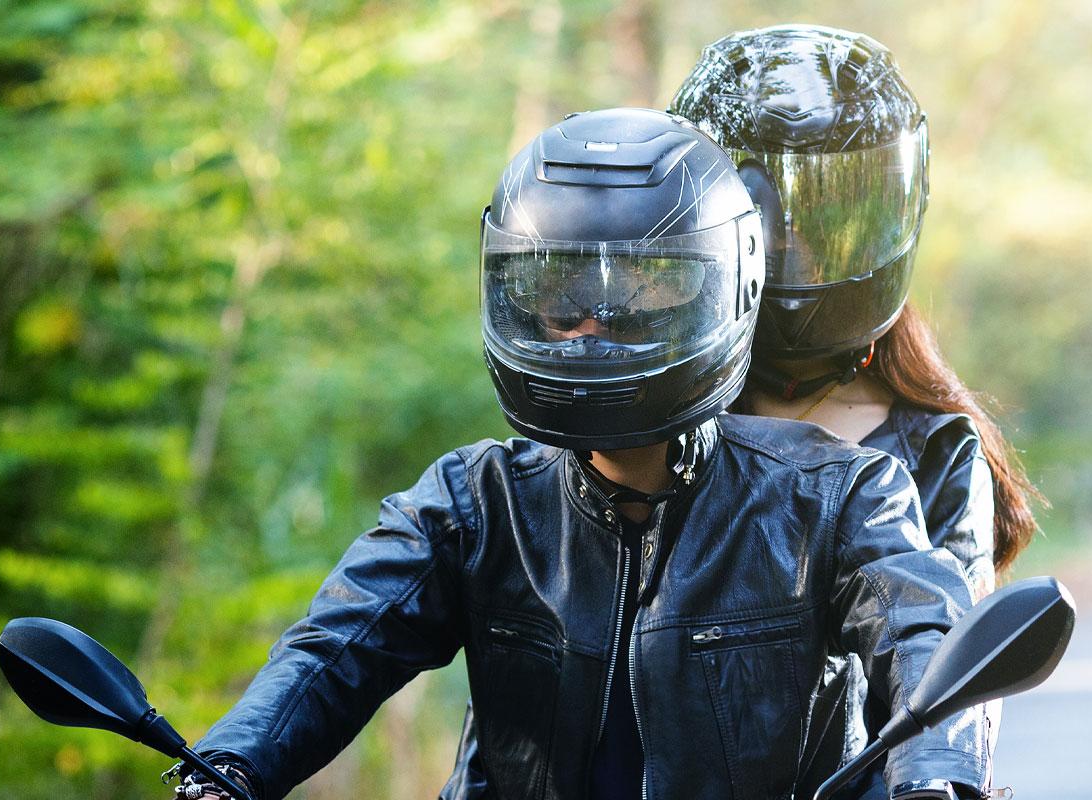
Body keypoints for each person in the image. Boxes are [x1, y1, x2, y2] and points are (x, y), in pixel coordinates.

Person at [171, 108, 979, 800]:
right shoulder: (476, 504)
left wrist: (937, 777)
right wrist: (224, 770)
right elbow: (335, 648)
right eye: (559, 303)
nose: (589, 333)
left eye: (636, 298)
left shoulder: (832, 496)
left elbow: (923, 632)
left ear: (726, 289)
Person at [666, 25, 1045, 800]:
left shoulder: (935, 452)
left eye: (824, 223)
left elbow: (944, 688)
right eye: (771, 217)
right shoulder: (658, 427)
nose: (795, 245)